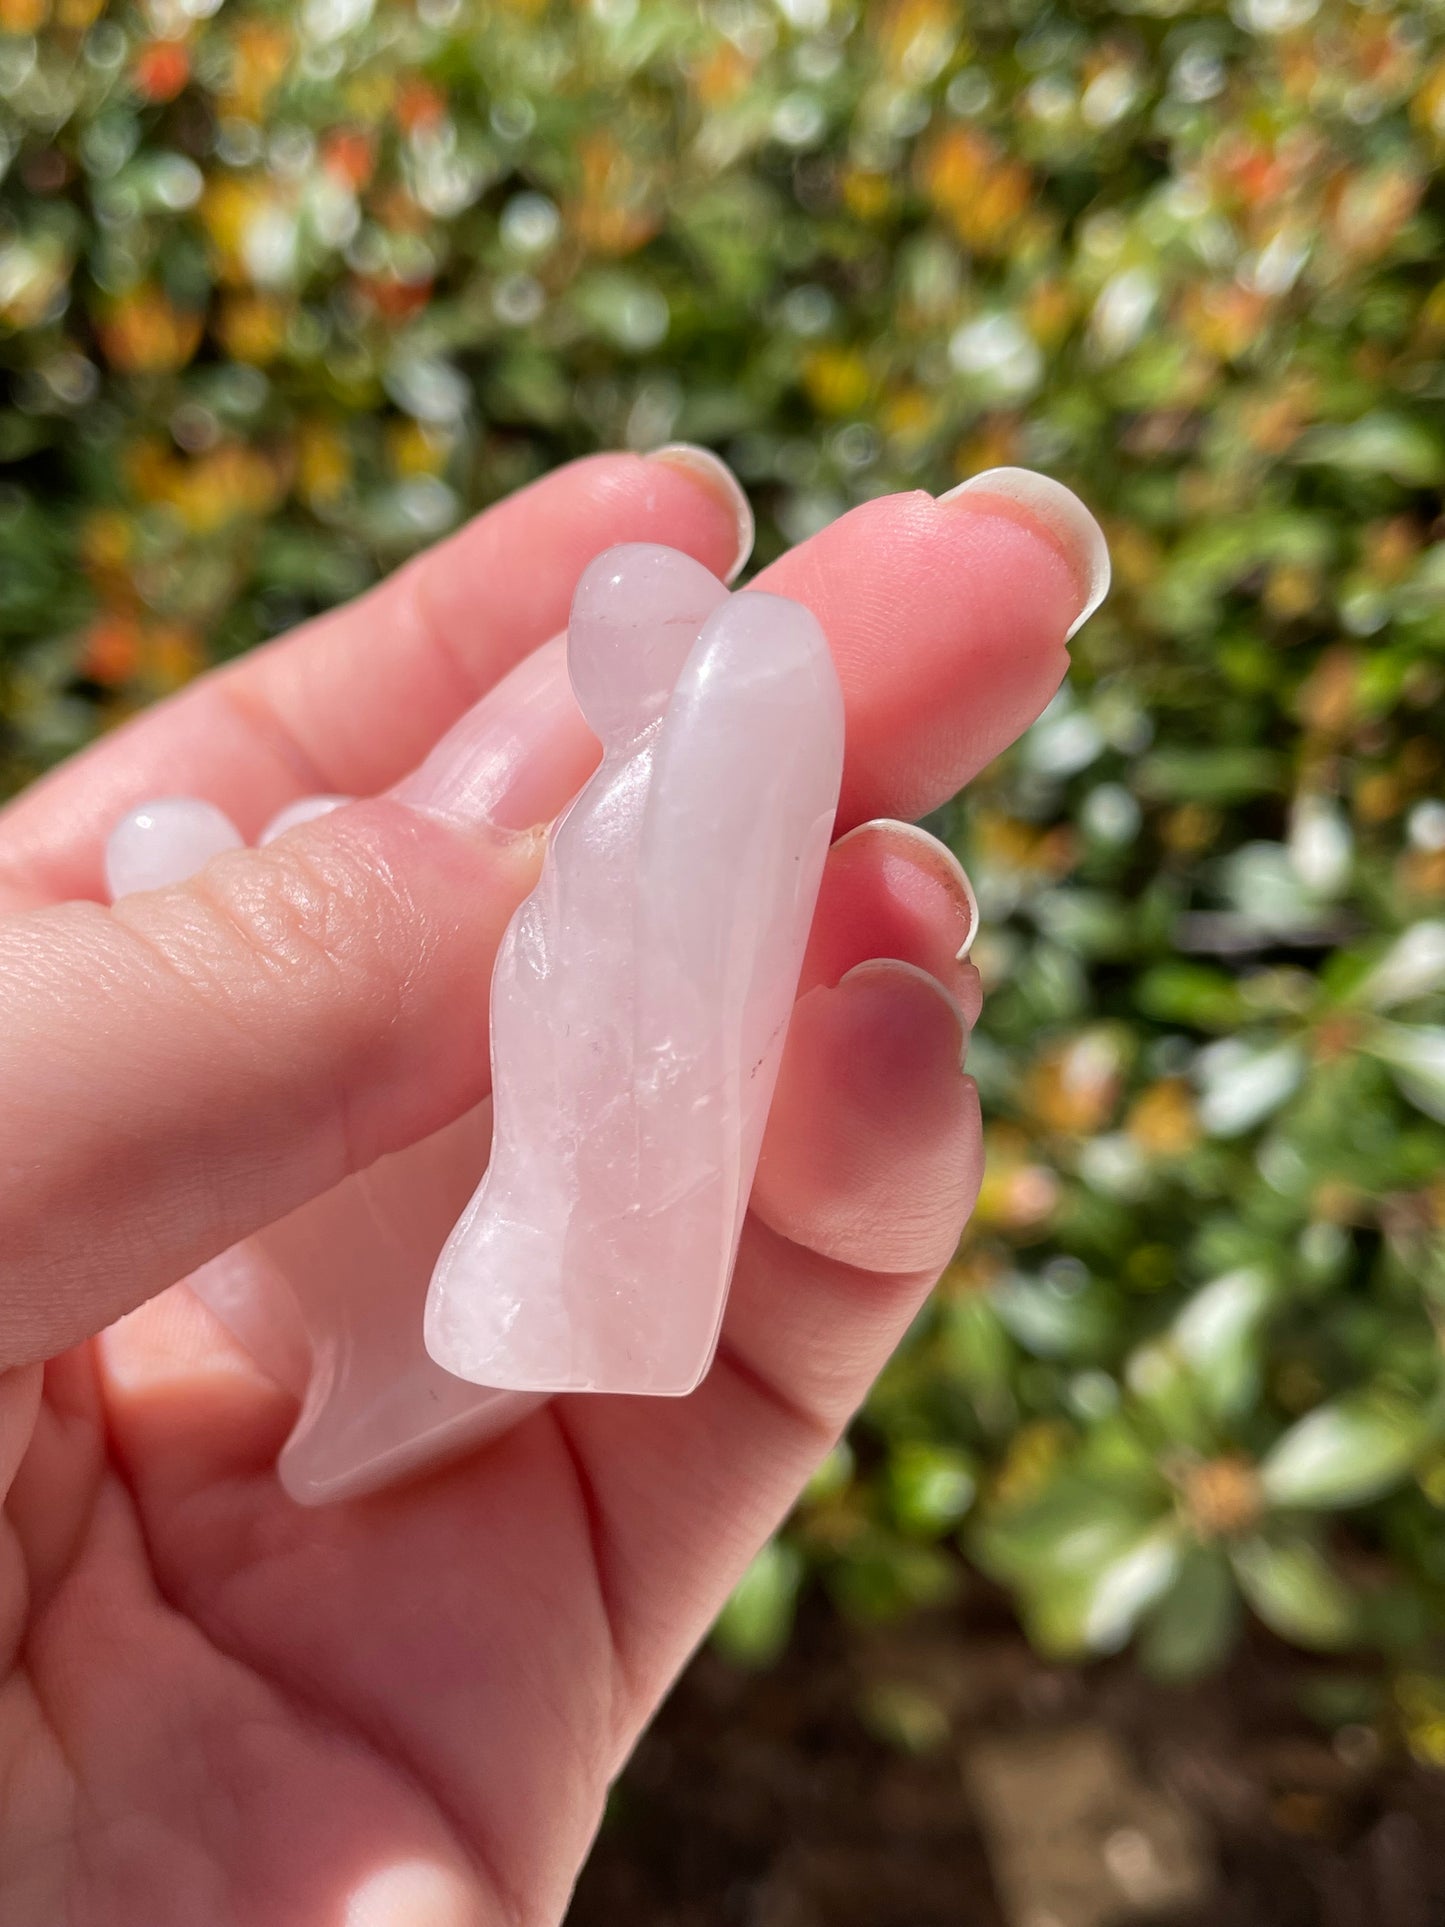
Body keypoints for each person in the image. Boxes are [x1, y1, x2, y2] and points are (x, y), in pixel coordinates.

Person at [0, 448, 1104, 1926]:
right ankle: (417, 1338)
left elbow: (667, 973)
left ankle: (458, 1322)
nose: (617, 659)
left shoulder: (711, 729)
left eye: (638, 645)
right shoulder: (633, 785)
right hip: (509, 1245)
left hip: (569, 1220)